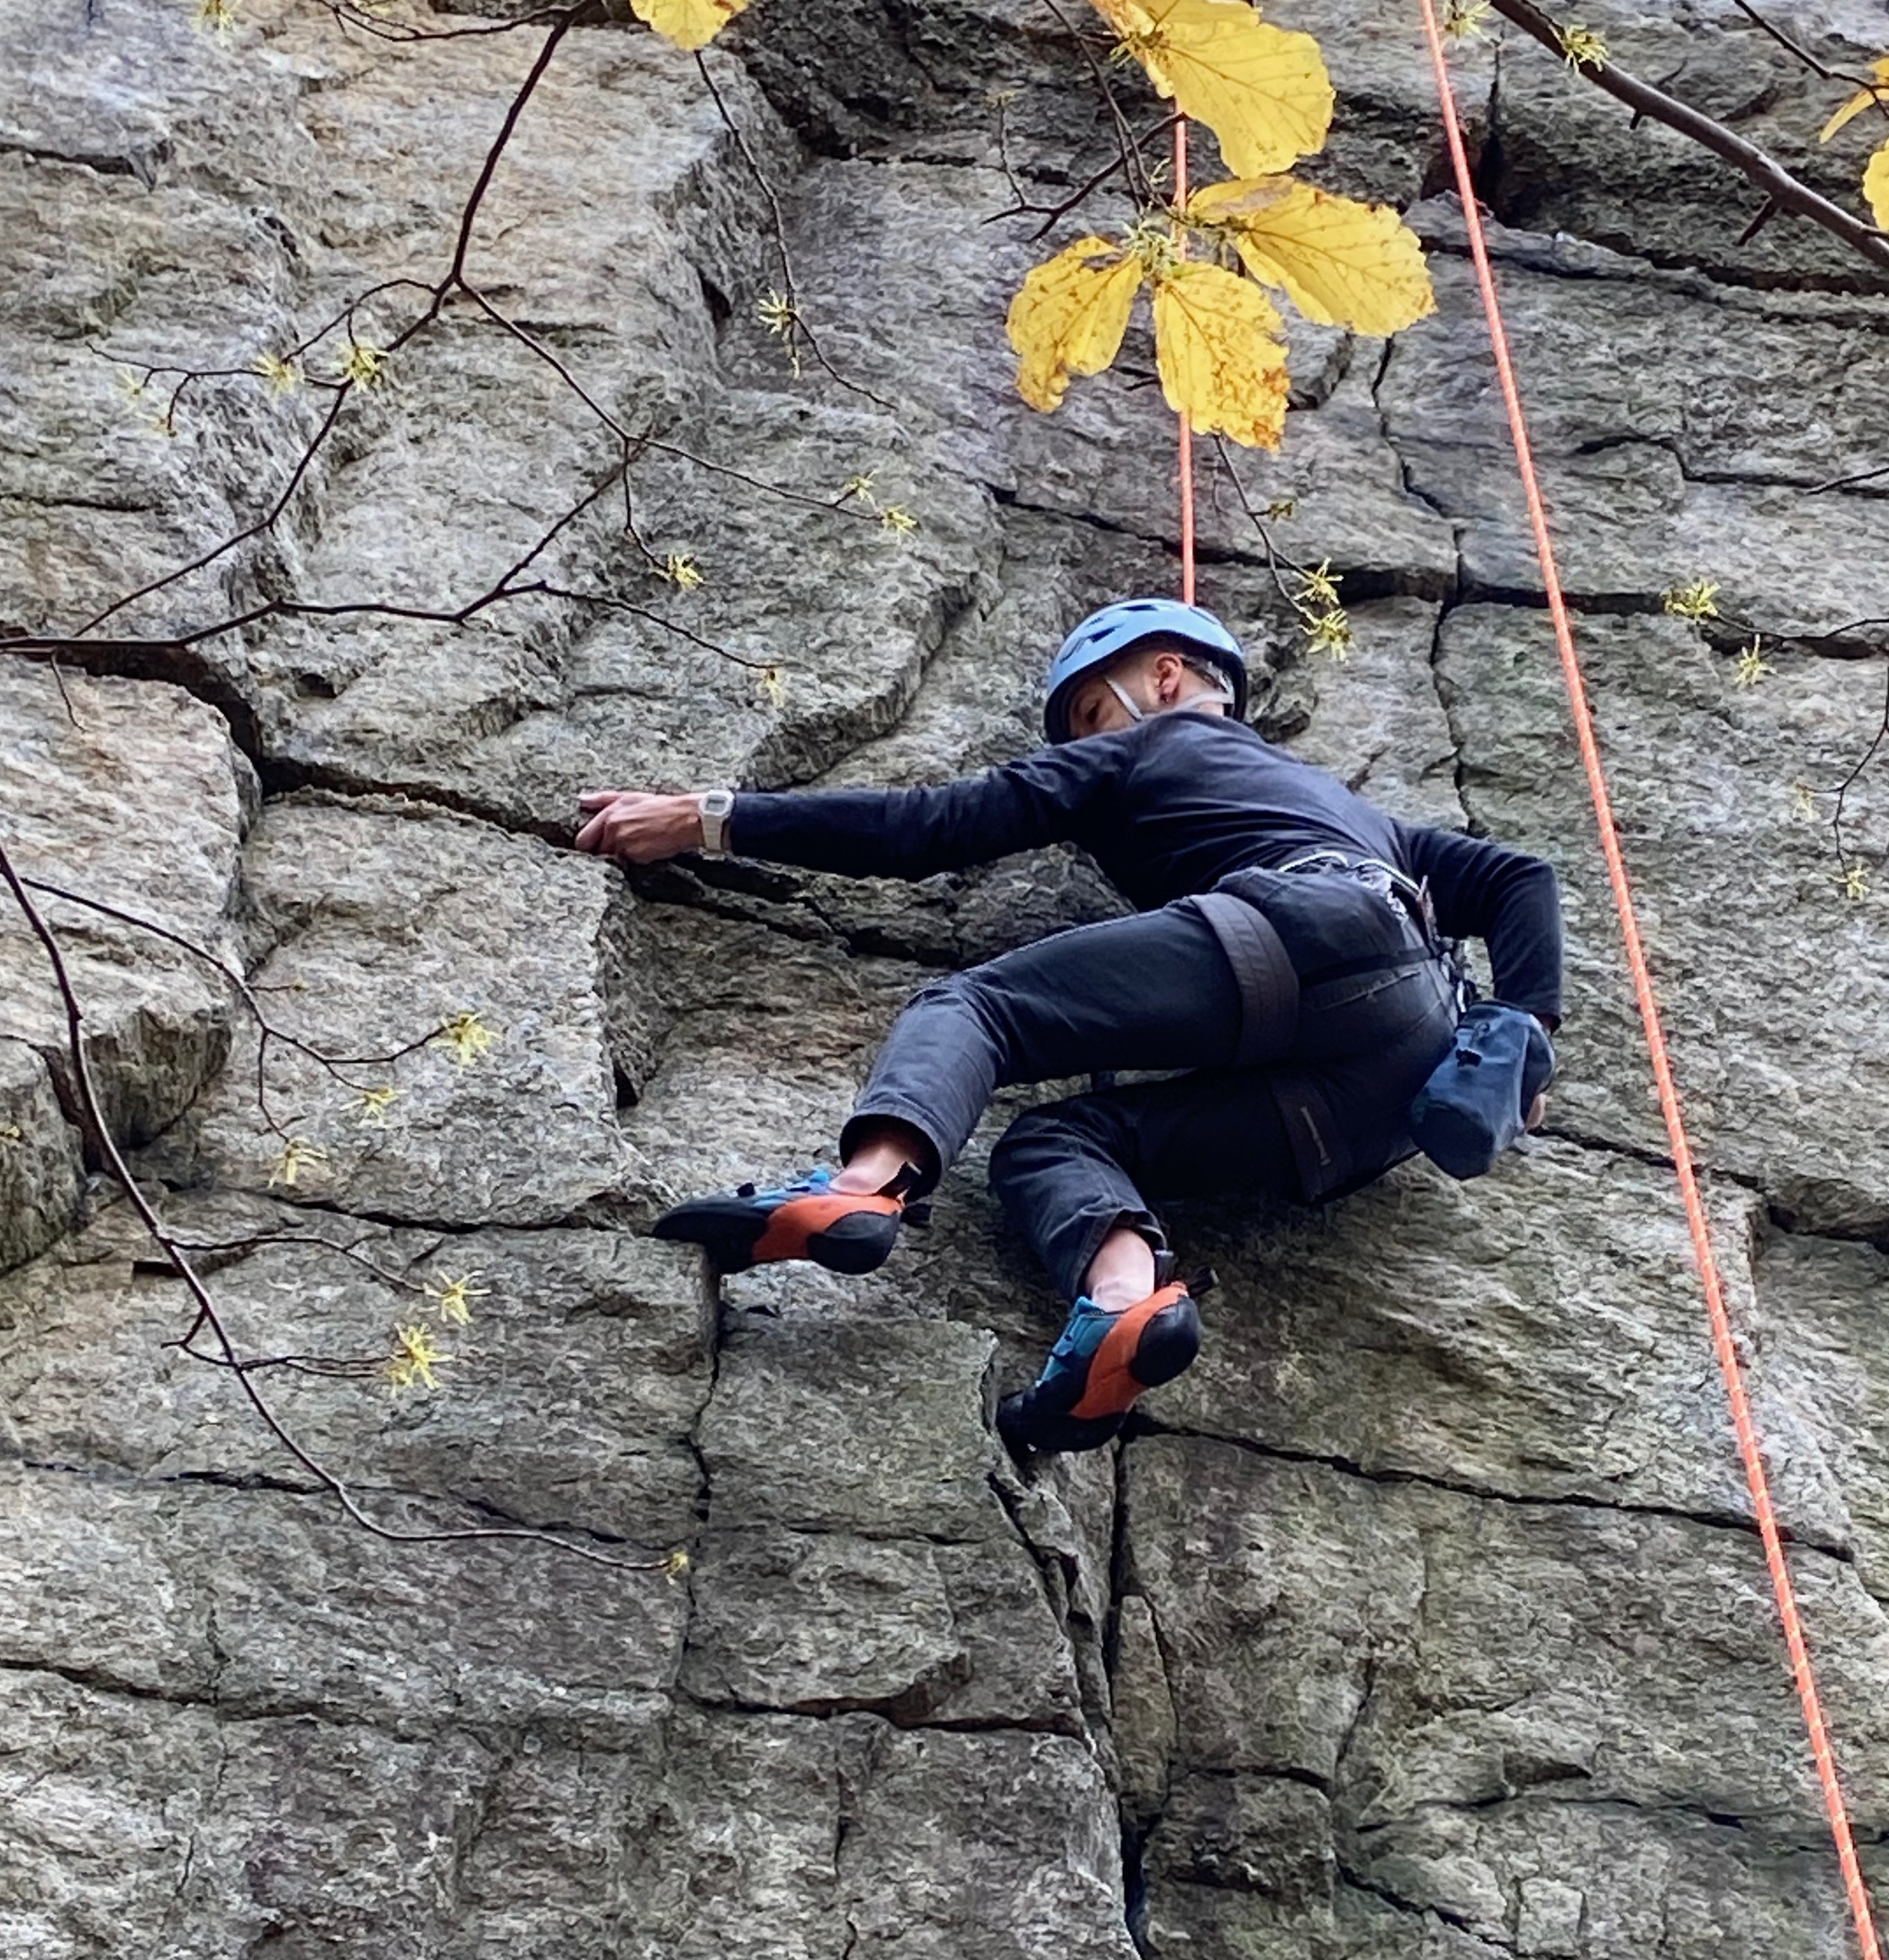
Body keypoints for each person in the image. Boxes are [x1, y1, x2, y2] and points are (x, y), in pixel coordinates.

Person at [576, 597, 1564, 1455]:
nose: (1080, 745)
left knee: (976, 1008)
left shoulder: (1149, 745)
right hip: (1398, 1080)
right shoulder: (1367, 816)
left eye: (1090, 713)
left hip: (1303, 932)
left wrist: (710, 817)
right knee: (1056, 1142)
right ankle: (1122, 1306)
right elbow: (1521, 878)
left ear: (1166, 676)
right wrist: (1525, 1024)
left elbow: (928, 827)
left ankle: (860, 1192)